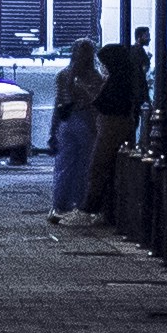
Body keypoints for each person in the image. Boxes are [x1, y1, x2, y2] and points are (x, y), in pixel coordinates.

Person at [45, 47, 101, 233]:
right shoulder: (94, 76)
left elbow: (58, 104)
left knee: (64, 165)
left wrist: (53, 131)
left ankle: (60, 205)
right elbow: (95, 102)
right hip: (85, 119)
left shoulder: (63, 75)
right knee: (85, 165)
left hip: (66, 120)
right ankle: (79, 203)